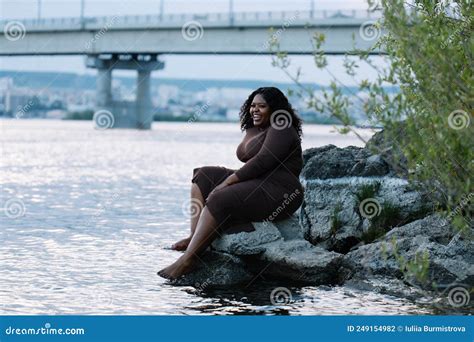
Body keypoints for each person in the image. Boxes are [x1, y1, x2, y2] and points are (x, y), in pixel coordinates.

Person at [158, 87, 304, 280]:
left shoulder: (282, 128)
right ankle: (195, 238)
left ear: (276, 109)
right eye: (252, 106)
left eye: (262, 106)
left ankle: (189, 260)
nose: (255, 110)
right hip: (258, 182)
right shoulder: (254, 128)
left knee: (220, 196)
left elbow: (262, 161)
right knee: (203, 176)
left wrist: (227, 183)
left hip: (281, 190)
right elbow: (247, 157)